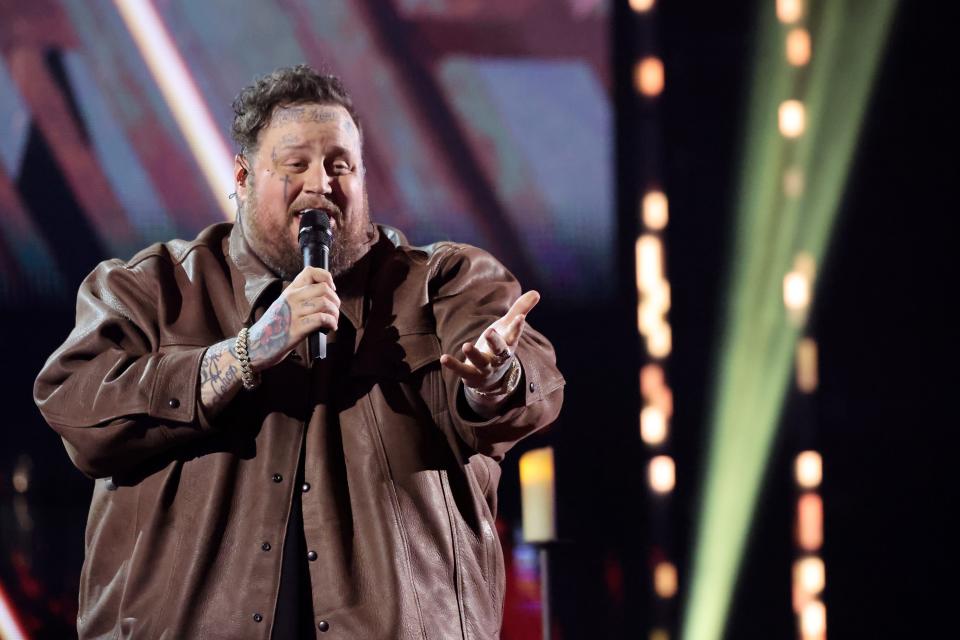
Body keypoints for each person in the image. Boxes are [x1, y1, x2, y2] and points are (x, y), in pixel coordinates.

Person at [34, 64, 564, 639]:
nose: (321, 184)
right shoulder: (149, 289)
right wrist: (243, 354)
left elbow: (525, 383)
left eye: (341, 165)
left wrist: (494, 380)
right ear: (240, 176)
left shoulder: (443, 281)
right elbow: (77, 408)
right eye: (296, 165)